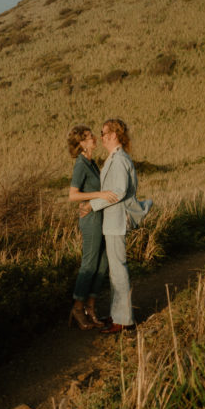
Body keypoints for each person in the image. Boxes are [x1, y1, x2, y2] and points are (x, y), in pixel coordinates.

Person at [88, 118, 151, 336]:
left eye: (104, 132)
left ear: (114, 134)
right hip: (112, 221)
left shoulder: (120, 159)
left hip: (116, 222)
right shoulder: (116, 158)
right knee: (115, 271)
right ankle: (117, 315)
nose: (102, 137)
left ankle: (124, 320)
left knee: (119, 270)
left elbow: (118, 192)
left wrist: (92, 205)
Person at [66, 125, 118, 330]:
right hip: (91, 220)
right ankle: (77, 308)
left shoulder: (92, 163)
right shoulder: (80, 165)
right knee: (89, 263)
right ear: (81, 143)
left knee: (103, 262)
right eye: (89, 137)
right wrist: (99, 195)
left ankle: (91, 308)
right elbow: (73, 195)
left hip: (101, 217)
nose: (95, 138)